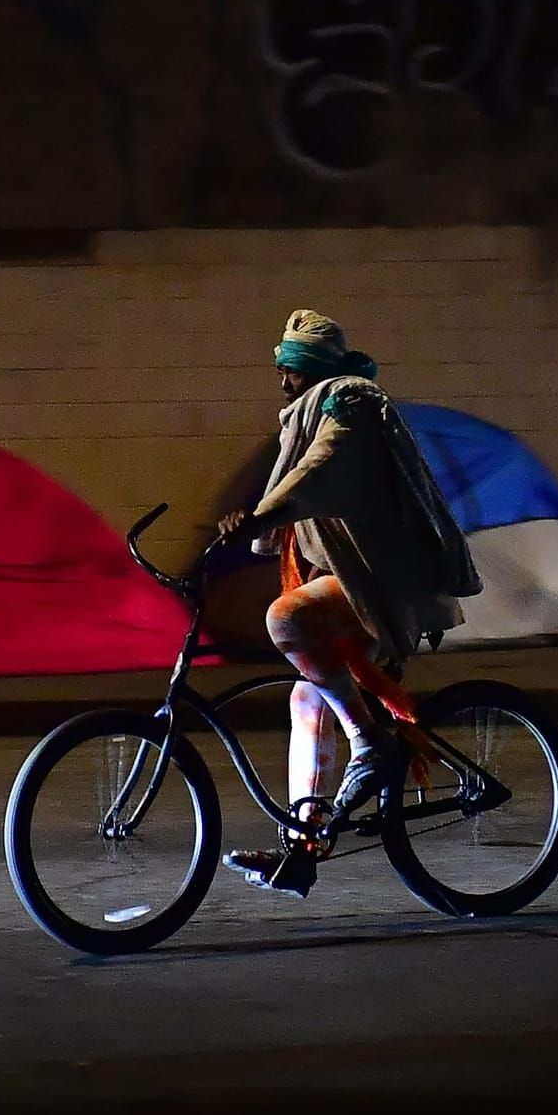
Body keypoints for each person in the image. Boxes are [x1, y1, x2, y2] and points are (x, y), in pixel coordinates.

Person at [214, 309, 482, 897]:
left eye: (290, 369)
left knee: (286, 619)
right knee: (307, 698)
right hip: (353, 579)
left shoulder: (350, 405)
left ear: (309, 370)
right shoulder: (311, 412)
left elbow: (318, 471)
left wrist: (258, 516)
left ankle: (368, 743)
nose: (282, 381)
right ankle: (303, 848)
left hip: (383, 580)